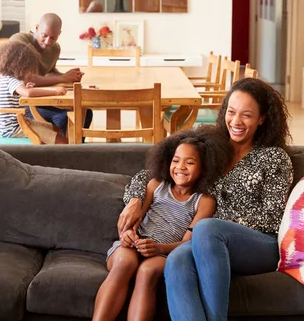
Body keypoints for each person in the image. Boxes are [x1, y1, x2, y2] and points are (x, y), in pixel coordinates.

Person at [118, 78, 294, 321]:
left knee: (207, 227)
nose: (236, 122)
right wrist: (135, 199)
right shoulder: (211, 148)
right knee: (177, 259)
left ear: (262, 118)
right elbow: (153, 173)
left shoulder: (274, 158)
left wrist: (215, 220)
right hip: (205, 242)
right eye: (231, 112)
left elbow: (272, 218)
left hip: (259, 245)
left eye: (247, 115)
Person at [92, 127, 232, 321]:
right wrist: (128, 234)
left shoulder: (204, 201)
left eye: (190, 162)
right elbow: (135, 219)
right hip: (133, 245)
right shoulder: (156, 185)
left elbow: (189, 242)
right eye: (176, 160)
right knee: (125, 262)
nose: (180, 167)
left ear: (204, 169)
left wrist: (159, 247)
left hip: (163, 252)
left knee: (146, 272)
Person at [9, 13, 92, 135]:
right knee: (65, 118)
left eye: (53, 38)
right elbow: (27, 79)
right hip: (20, 104)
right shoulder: (19, 41)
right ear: (37, 28)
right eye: (44, 35)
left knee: (85, 113)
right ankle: (65, 150)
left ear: (59, 34)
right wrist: (63, 78)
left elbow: (50, 74)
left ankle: (74, 151)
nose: (48, 41)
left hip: (40, 98)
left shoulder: (55, 49)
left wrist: (69, 77)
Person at [0, 41, 68, 144]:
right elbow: (28, 93)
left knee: (56, 130)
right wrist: (54, 91)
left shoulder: (4, 79)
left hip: (17, 123)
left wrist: (24, 87)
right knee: (62, 141)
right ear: (19, 66)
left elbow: (20, 92)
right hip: (15, 128)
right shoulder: (11, 80)